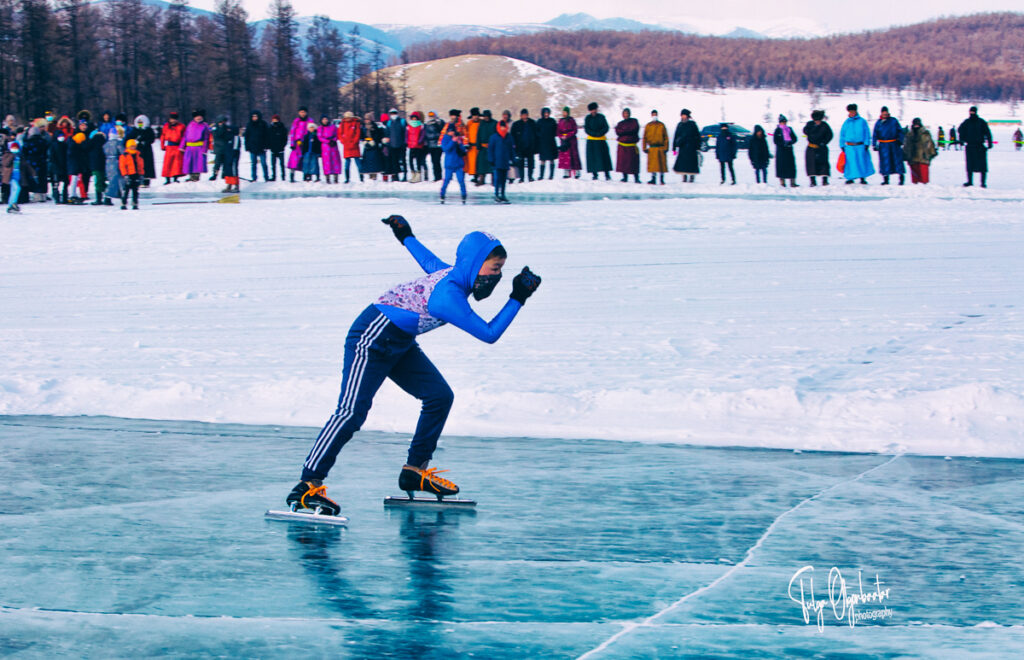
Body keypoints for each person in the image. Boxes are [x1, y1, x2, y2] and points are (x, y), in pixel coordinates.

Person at [286, 215, 542, 515]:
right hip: (371, 337)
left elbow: (428, 260)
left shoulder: (452, 273)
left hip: (400, 341)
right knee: (352, 412)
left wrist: (406, 236)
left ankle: (414, 470)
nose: (497, 276)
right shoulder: (449, 297)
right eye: (494, 269)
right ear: (474, 264)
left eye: (500, 270)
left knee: (439, 396)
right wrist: (518, 297)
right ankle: (306, 485)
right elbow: (488, 334)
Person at [839, 104, 874, 184]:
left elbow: (866, 133)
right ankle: (851, 177)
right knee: (851, 162)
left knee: (861, 161)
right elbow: (842, 135)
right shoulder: (846, 122)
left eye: (853, 111)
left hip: (860, 145)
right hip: (849, 146)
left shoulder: (862, 121)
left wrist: (866, 143)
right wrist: (842, 145)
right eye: (850, 112)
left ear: (856, 111)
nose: (852, 113)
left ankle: (862, 177)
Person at [958, 106, 993, 188]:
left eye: (973, 112)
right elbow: (960, 131)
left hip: (978, 146)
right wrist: (961, 140)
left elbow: (988, 133)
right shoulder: (967, 122)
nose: (972, 113)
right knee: (970, 165)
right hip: (971, 146)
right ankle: (971, 182)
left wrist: (990, 143)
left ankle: (982, 183)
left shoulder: (980, 122)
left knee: (982, 166)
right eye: (971, 112)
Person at [440, 109, 467, 204]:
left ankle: (464, 196)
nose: (452, 133)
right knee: (446, 181)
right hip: (449, 164)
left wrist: (459, 143)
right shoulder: (446, 138)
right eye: (450, 131)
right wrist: (453, 141)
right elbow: (446, 149)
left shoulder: (458, 137)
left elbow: (463, 150)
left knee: (461, 181)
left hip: (458, 163)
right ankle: (442, 195)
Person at [872, 106, 905, 185]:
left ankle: (901, 179)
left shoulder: (893, 121)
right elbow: (875, 134)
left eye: (886, 114)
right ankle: (886, 180)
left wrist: (901, 140)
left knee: (897, 161)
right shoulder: (878, 123)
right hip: (883, 145)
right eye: (884, 114)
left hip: (894, 144)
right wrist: (874, 144)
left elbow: (900, 131)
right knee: (885, 162)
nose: (885, 115)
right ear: (881, 113)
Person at [2, 136, 35, 213]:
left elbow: (26, 165)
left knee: (14, 190)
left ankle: (11, 205)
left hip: (19, 176)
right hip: (10, 176)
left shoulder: (20, 157)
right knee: (17, 189)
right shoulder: (8, 155)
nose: (15, 150)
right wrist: (12, 156)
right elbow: (6, 164)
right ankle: (13, 204)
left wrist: (33, 173)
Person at [902, 118, 937, 184]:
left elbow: (930, 144)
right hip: (912, 157)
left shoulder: (925, 133)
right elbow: (906, 145)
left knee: (924, 179)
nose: (916, 126)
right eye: (915, 124)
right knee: (915, 179)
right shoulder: (909, 134)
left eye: (917, 124)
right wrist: (905, 155)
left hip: (923, 157)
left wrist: (932, 153)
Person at [803, 110, 833, 186]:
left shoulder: (825, 125)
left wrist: (824, 142)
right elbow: (805, 131)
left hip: (822, 148)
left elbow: (830, 135)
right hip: (811, 147)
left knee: (824, 164)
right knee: (811, 164)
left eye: (819, 120)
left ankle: (825, 180)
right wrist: (813, 128)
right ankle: (812, 181)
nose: (817, 122)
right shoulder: (809, 124)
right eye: (816, 120)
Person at [488, 116, 514, 203]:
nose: (503, 128)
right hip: (497, 161)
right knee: (497, 179)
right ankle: (496, 194)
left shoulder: (509, 137)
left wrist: (513, 158)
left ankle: (502, 194)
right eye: (501, 126)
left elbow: (511, 149)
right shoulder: (494, 137)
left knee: (503, 179)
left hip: (505, 161)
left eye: (504, 126)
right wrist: (491, 159)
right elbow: (490, 149)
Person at [584, 102, 612, 180]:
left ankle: (607, 175)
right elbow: (586, 129)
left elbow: (606, 127)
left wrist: (599, 133)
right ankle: (595, 175)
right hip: (591, 141)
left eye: (595, 109)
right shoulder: (587, 118)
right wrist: (594, 134)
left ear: (597, 109)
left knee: (604, 158)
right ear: (590, 110)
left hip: (601, 140)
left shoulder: (601, 117)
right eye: (592, 110)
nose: (594, 111)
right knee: (592, 158)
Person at [182, 110, 211, 182]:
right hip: (189, 147)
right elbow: (185, 136)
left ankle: (196, 176)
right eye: (197, 116)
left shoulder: (205, 126)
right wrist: (182, 146)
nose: (199, 118)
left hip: (199, 147)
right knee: (189, 161)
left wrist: (204, 149)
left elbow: (206, 138)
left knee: (198, 163)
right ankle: (191, 176)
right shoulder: (190, 125)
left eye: (200, 116)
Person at [673, 109, 700, 182]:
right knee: (683, 163)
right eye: (682, 115)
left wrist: (698, 147)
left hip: (691, 147)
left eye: (684, 115)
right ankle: (684, 176)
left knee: (691, 163)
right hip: (683, 147)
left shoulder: (693, 124)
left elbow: (697, 136)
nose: (683, 116)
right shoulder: (680, 124)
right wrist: (674, 148)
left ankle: (692, 176)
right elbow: (676, 136)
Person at [127, 115, 156, 186]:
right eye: (139, 122)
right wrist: (134, 142)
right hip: (137, 150)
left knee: (147, 165)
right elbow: (130, 138)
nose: (140, 124)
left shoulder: (148, 130)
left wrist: (145, 142)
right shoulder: (135, 130)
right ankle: (138, 180)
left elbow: (152, 139)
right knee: (138, 164)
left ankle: (146, 180)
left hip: (146, 150)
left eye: (141, 122)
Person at [614, 108, 640, 183]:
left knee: (633, 163)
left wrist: (624, 131)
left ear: (630, 114)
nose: (626, 115)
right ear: (622, 115)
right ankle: (624, 177)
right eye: (624, 113)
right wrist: (627, 131)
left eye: (627, 113)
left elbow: (634, 130)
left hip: (631, 145)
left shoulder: (634, 121)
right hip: (622, 146)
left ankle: (636, 178)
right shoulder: (620, 123)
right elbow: (618, 132)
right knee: (623, 163)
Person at [510, 109, 537, 183]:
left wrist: (535, 146)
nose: (525, 116)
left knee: (530, 163)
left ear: (528, 115)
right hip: (520, 147)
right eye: (523, 115)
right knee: (520, 163)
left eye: (526, 115)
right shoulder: (516, 124)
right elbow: (512, 135)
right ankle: (521, 178)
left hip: (530, 147)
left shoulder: (532, 123)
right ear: (520, 116)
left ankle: (530, 177)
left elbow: (536, 135)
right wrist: (514, 145)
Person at [642, 110, 668, 185]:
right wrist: (644, 147)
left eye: (655, 114)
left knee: (661, 164)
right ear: (651, 115)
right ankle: (653, 179)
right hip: (652, 148)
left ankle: (662, 179)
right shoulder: (648, 126)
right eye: (653, 115)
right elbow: (645, 137)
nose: (654, 116)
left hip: (660, 147)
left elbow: (665, 137)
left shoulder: (661, 125)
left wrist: (666, 147)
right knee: (653, 165)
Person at [773, 115, 798, 187]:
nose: (784, 123)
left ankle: (792, 182)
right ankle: (782, 183)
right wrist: (783, 144)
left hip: (789, 150)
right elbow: (775, 141)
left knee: (791, 166)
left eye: (785, 122)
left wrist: (791, 142)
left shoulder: (789, 129)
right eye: (782, 122)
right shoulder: (777, 130)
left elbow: (795, 138)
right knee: (781, 166)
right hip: (781, 151)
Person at [118, 138, 144, 209]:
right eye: (131, 146)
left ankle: (135, 203)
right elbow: (122, 166)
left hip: (136, 174)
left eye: (134, 146)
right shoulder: (124, 155)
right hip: (128, 175)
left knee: (135, 190)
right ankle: (123, 203)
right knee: (126, 190)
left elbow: (141, 165)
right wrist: (125, 175)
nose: (133, 147)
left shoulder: (138, 154)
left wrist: (141, 174)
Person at [244, 110, 270, 182]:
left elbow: (267, 135)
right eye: (253, 116)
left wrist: (266, 146)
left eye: (256, 116)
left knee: (264, 163)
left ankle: (266, 177)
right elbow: (247, 136)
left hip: (262, 147)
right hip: (252, 147)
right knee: (253, 164)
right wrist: (247, 146)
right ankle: (254, 178)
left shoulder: (263, 124)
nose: (254, 118)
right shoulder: (249, 125)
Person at [556, 107, 582, 179]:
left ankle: (577, 172)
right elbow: (558, 131)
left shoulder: (571, 120)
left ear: (568, 113)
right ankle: (566, 172)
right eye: (563, 112)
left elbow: (575, 130)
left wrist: (568, 135)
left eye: (565, 112)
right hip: (564, 141)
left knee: (574, 156)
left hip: (572, 141)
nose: (564, 114)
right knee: (565, 156)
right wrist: (561, 136)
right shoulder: (560, 121)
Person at [287, 107, 310, 182]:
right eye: (301, 112)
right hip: (297, 144)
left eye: (304, 112)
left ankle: (306, 175)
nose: (302, 114)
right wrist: (292, 143)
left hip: (306, 143)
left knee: (306, 160)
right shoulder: (296, 121)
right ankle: (292, 175)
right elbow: (292, 132)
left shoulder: (309, 121)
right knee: (294, 160)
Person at [339, 111, 363, 183]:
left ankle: (361, 178)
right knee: (347, 163)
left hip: (354, 146)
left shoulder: (356, 123)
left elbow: (357, 134)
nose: (347, 119)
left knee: (358, 162)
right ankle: (347, 178)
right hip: (346, 146)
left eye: (349, 118)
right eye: (346, 118)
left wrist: (354, 142)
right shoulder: (342, 124)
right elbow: (340, 134)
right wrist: (343, 142)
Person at [360, 112, 385, 180]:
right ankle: (369, 174)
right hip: (367, 146)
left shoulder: (375, 127)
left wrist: (374, 141)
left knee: (374, 161)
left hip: (374, 146)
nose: (366, 121)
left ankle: (374, 175)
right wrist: (364, 141)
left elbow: (378, 135)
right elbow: (362, 136)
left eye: (368, 119)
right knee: (368, 161)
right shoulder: (363, 127)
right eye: (365, 119)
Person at [103, 127, 125, 205]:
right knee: (116, 179)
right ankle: (108, 196)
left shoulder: (106, 143)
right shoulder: (118, 143)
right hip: (116, 162)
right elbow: (123, 151)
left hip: (108, 162)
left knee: (111, 179)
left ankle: (116, 194)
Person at [210, 116, 235, 181]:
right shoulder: (215, 128)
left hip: (226, 148)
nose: (222, 123)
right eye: (221, 122)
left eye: (223, 122)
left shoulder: (227, 128)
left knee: (225, 163)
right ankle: (215, 174)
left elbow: (229, 136)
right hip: (218, 148)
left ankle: (224, 174)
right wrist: (222, 129)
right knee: (217, 163)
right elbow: (217, 136)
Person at [536, 107, 558, 180]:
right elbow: (536, 131)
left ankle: (551, 175)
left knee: (552, 159)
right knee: (543, 160)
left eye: (547, 113)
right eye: (545, 113)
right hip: (542, 143)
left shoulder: (552, 121)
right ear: (542, 113)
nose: (546, 114)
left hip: (551, 142)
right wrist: (541, 136)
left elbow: (556, 130)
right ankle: (541, 175)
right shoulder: (539, 121)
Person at [47, 129, 70, 203]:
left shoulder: (65, 144)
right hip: (56, 167)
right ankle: (57, 197)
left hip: (64, 167)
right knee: (56, 183)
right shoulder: (53, 145)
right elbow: (52, 157)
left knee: (65, 183)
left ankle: (64, 197)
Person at [317, 115, 341, 184]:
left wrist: (333, 140)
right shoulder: (320, 128)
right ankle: (327, 178)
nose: (325, 121)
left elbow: (337, 135)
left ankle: (336, 178)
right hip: (325, 147)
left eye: (326, 119)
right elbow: (320, 137)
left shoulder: (333, 127)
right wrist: (327, 141)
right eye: (323, 119)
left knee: (335, 161)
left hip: (333, 146)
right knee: (327, 162)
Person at [475, 110, 496, 185]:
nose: (486, 118)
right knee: (482, 164)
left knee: (492, 164)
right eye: (485, 116)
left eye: (487, 116)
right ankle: (481, 179)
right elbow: (479, 135)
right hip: (483, 147)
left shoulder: (495, 123)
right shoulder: (482, 123)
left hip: (492, 147)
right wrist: (478, 145)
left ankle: (494, 180)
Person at [386, 108, 407, 182]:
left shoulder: (402, 121)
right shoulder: (389, 123)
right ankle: (396, 176)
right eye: (392, 113)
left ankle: (405, 175)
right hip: (392, 145)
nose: (393, 115)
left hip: (401, 145)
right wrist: (388, 143)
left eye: (394, 113)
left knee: (403, 161)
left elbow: (405, 133)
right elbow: (387, 134)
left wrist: (405, 143)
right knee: (394, 161)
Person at [406, 111, 427, 183]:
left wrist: (419, 141)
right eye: (413, 118)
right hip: (411, 145)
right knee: (410, 160)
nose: (414, 119)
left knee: (418, 161)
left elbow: (423, 135)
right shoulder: (409, 126)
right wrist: (407, 141)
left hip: (418, 146)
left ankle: (418, 175)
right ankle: (413, 174)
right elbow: (406, 135)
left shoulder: (421, 126)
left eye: (415, 118)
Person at [423, 111, 444, 181]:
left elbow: (442, 132)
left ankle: (439, 176)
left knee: (436, 160)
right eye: (430, 116)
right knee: (433, 161)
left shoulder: (439, 122)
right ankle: (436, 176)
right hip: (430, 145)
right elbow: (425, 134)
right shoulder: (427, 124)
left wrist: (437, 124)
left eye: (432, 115)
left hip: (438, 145)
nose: (431, 117)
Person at [267, 114, 288, 181]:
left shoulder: (282, 128)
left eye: (276, 119)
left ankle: (283, 176)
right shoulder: (270, 128)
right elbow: (268, 138)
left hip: (280, 149)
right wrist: (270, 147)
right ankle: (273, 176)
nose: (275, 121)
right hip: (273, 149)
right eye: (273, 119)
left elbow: (285, 138)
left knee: (281, 164)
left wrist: (282, 146)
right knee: (273, 164)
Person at [464, 108, 481, 184]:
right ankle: (474, 177)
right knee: (472, 163)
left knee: (479, 162)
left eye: (477, 115)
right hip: (471, 146)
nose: (475, 117)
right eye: (474, 116)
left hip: (479, 146)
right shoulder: (469, 123)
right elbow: (466, 133)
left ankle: (480, 177)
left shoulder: (481, 123)